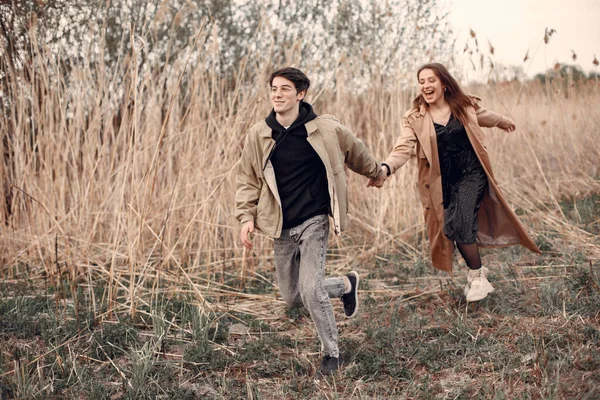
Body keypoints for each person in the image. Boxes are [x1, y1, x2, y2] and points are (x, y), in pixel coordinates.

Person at [235, 67, 386, 377]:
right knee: (292, 296)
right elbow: (248, 179)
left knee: (311, 287)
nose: (277, 94)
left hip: (313, 219)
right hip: (281, 226)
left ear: (300, 94)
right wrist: (245, 217)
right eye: (274, 89)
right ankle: (345, 285)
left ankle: (332, 355)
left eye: (284, 89)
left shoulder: (324, 128)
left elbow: (355, 151)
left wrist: (376, 172)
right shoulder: (259, 134)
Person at [369, 62, 540, 302]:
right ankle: (475, 274)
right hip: (442, 182)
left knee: (460, 221)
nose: (426, 86)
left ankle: (478, 277)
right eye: (422, 82)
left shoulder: (462, 106)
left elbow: (484, 116)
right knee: (451, 227)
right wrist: (386, 168)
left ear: (444, 84)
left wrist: (503, 121)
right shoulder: (415, 118)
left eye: (431, 80)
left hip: (472, 173)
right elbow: (403, 148)